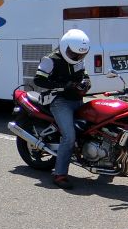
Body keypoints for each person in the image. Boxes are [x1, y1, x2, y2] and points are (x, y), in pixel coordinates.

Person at [33, 29, 92, 189]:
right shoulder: (50, 60)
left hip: (77, 99)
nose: (77, 57)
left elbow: (83, 73)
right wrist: (63, 85)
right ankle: (59, 174)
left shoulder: (78, 58)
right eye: (74, 54)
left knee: (93, 127)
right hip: (59, 101)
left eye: (81, 54)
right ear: (65, 47)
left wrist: (86, 81)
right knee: (69, 136)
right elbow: (38, 80)